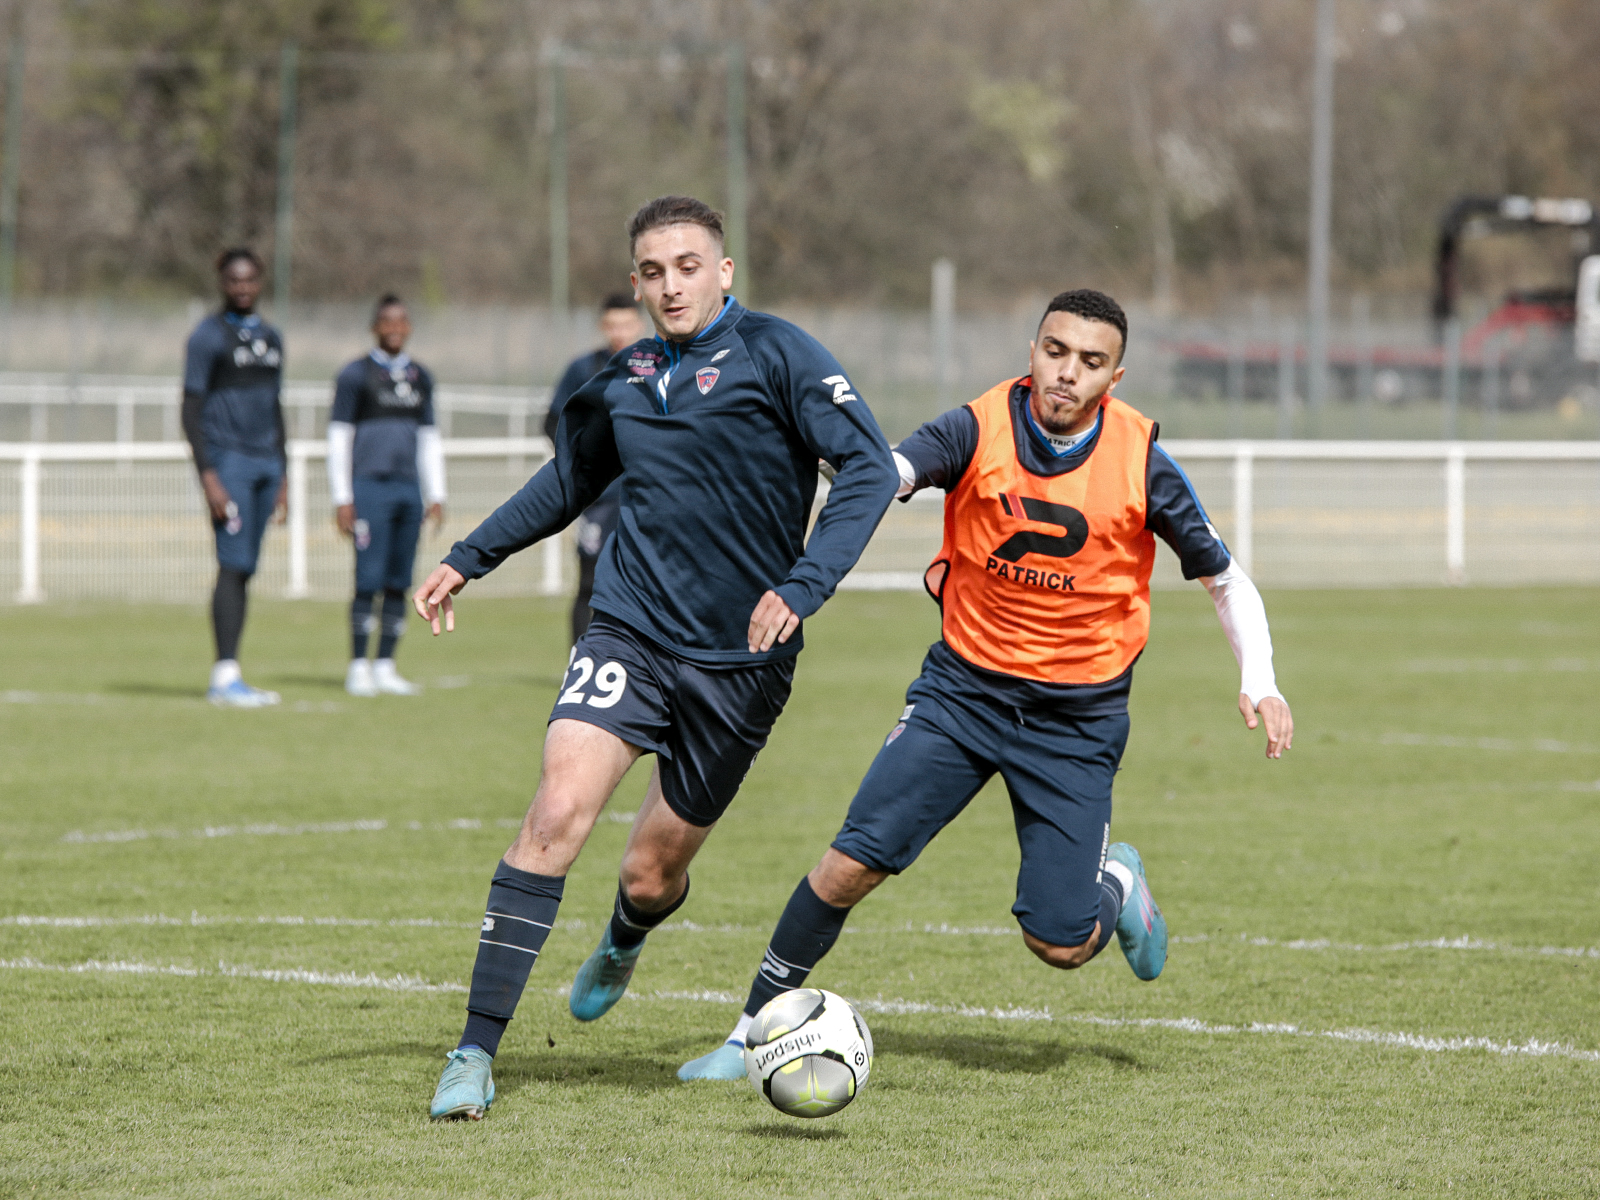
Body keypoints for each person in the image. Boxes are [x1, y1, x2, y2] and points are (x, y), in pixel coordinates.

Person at [677, 288, 1296, 1081]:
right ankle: (744, 1039)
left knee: (1061, 944)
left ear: (1117, 375)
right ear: (1034, 348)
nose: (1066, 372)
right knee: (847, 865)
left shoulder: (1141, 460)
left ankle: (1118, 878)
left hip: (1077, 718)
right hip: (961, 694)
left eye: (1090, 361)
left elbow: (1224, 578)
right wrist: (858, 473)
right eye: (1054, 350)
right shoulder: (975, 427)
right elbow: (890, 470)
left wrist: (1262, 679)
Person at [414, 194, 899, 1120]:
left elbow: (869, 467)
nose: (669, 285)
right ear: (635, 281)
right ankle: (473, 1052)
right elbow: (568, 481)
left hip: (742, 661)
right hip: (628, 630)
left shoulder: (780, 353)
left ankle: (627, 933)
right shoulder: (624, 375)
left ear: (723, 270)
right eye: (651, 270)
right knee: (557, 810)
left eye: (687, 265)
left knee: (650, 870)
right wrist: (467, 557)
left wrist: (802, 588)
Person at [181, 248, 287, 708]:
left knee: (248, 567)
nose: (242, 288)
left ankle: (233, 674)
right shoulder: (207, 336)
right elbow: (189, 409)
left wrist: (283, 471)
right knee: (233, 564)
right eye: (234, 281)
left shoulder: (272, 336)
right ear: (222, 283)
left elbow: (276, 406)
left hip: (267, 463)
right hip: (230, 464)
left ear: (260, 281)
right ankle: (223, 675)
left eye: (250, 280)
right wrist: (209, 475)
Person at [328, 294, 447, 697]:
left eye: (402, 321)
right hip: (369, 489)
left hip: (407, 491)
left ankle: (386, 665)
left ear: (409, 327)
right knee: (368, 579)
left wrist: (437, 492)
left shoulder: (420, 377)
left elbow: (429, 438)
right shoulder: (355, 375)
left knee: (400, 580)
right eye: (387, 322)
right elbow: (339, 438)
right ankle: (358, 665)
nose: (395, 328)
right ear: (375, 327)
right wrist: (343, 497)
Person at [545, 293, 647, 644]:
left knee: (643, 580)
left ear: (639, 324)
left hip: (646, 494)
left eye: (626, 325)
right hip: (600, 499)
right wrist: (581, 465)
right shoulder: (583, 369)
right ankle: (579, 661)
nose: (619, 332)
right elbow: (553, 420)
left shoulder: (658, 363)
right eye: (612, 325)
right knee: (589, 582)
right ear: (603, 327)